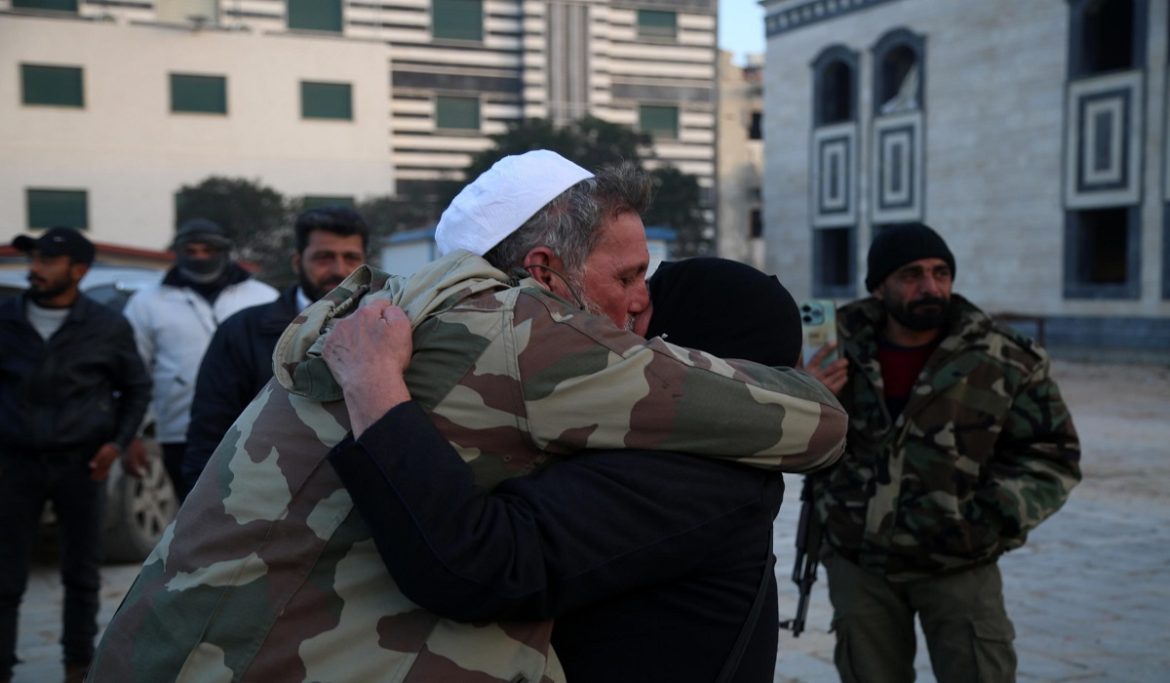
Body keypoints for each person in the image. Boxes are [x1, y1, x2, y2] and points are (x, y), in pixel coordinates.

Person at [90, 151, 846, 682]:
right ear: (545, 272)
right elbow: (818, 425)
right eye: (627, 276)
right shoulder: (516, 328)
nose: (636, 304)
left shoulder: (395, 309)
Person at [323, 257, 809, 682]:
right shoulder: (696, 449)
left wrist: (374, 385)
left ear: (691, 355)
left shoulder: (697, 477)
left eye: (643, 312)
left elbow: (478, 564)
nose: (619, 324)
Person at [804, 223, 1081, 683]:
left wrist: (987, 520)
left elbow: (1055, 454)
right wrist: (804, 393)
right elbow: (795, 448)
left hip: (959, 563)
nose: (931, 287)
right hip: (859, 563)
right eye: (911, 275)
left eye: (941, 272)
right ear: (879, 286)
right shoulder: (834, 352)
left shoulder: (1003, 357)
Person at [0, 228, 151, 683]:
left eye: (48, 261)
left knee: (81, 575)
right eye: (35, 260)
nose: (36, 269)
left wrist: (116, 444)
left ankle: (77, 666)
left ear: (78, 270)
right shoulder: (6, 320)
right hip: (13, 464)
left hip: (82, 464)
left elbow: (137, 387)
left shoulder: (106, 325)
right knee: (5, 579)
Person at [182, 207, 368, 492]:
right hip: (261, 500)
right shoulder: (242, 332)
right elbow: (210, 432)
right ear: (297, 262)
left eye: (351, 258)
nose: (339, 270)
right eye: (324, 257)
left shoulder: (390, 329)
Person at [122, 218, 277, 500]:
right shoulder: (147, 302)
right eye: (190, 251)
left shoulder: (263, 297)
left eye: (208, 250)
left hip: (256, 430)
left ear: (224, 251)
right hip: (179, 432)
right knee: (193, 517)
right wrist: (129, 434)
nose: (199, 257)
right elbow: (131, 372)